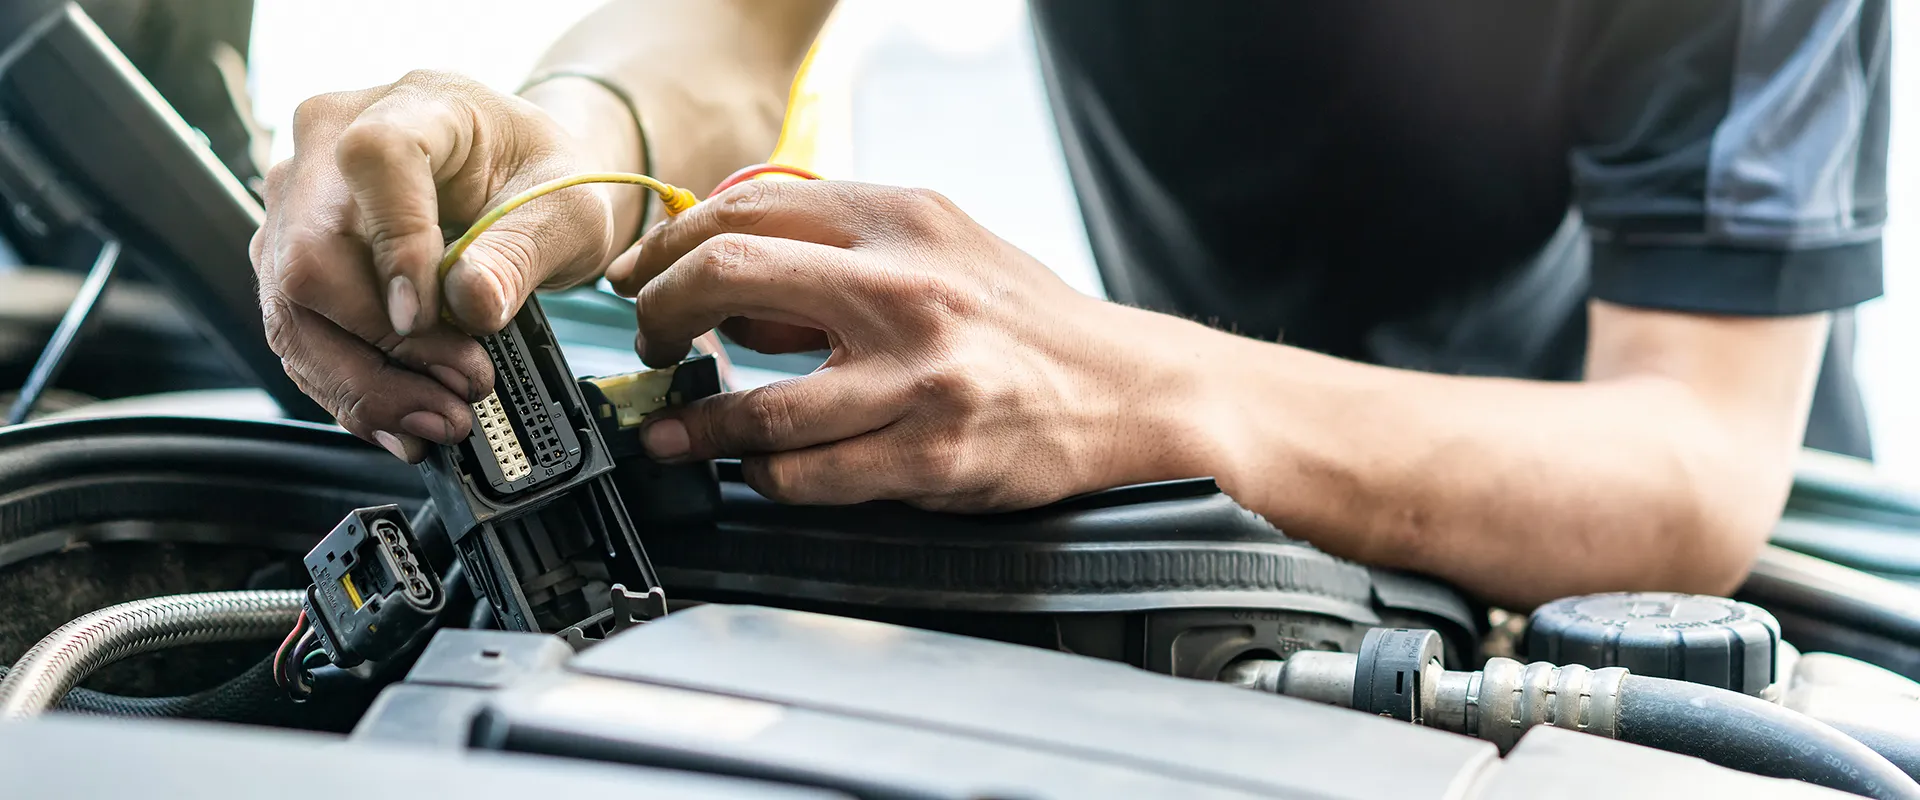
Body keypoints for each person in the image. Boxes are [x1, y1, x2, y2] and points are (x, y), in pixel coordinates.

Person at [250, 0, 1891, 608]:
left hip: (1639, 546)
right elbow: (741, 28)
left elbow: (1694, 461)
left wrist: (1140, 386)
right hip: (1225, 485)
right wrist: (576, 140)